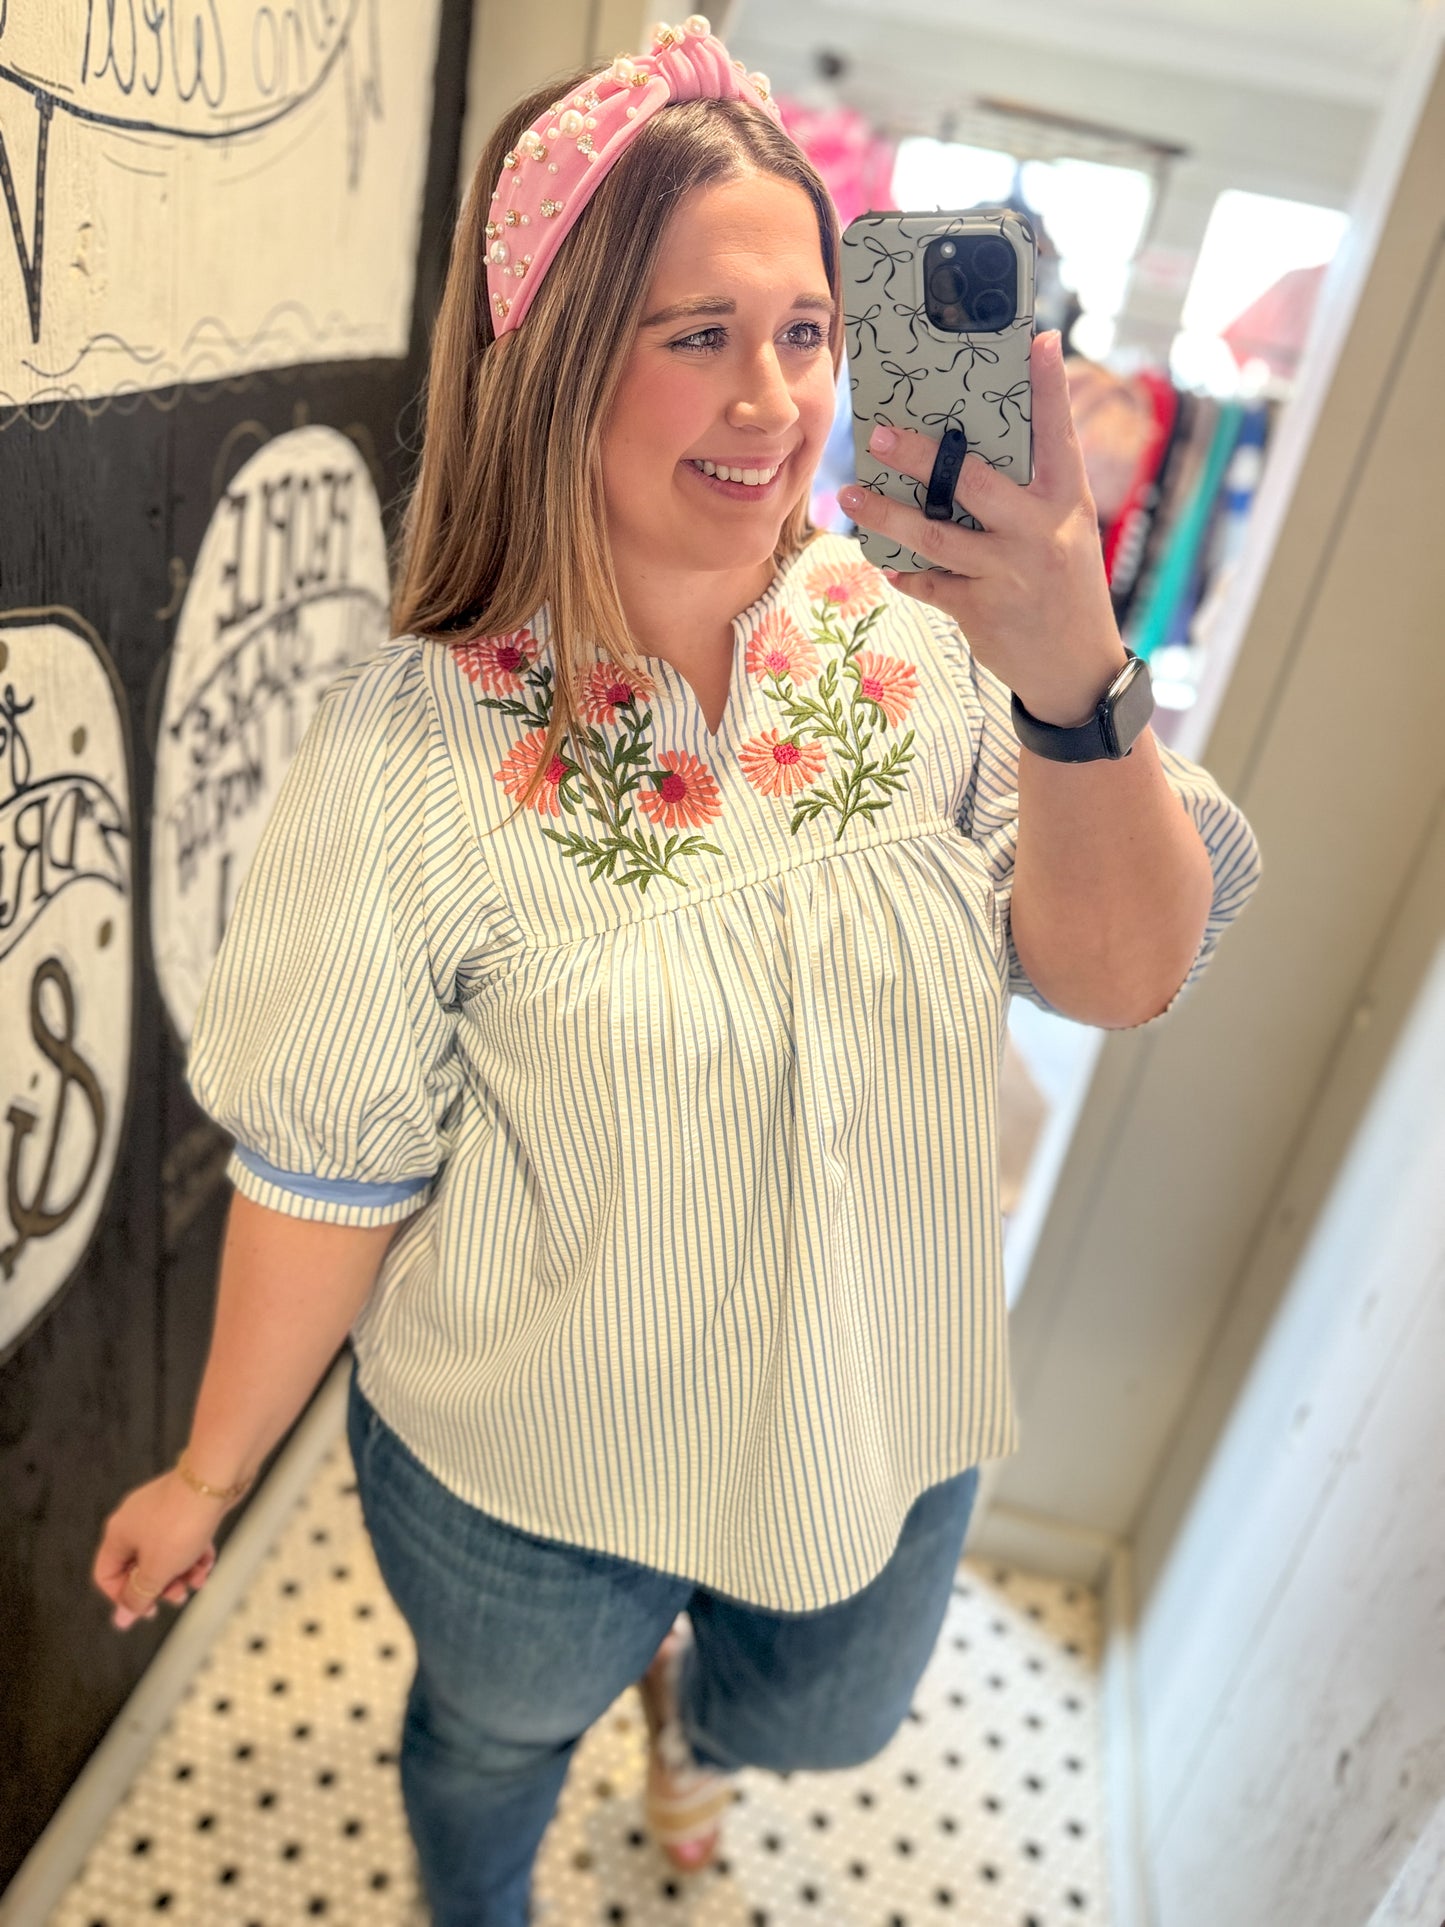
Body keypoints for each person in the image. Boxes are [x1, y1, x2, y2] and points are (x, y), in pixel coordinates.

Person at [92, 19, 1260, 1926]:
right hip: (529, 1469)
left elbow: (1121, 979)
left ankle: (692, 1725)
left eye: (803, 331)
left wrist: (1071, 673)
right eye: (696, 334)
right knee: (491, 1741)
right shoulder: (411, 747)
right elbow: (325, 1166)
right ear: (558, 357)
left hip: (872, 1411)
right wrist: (209, 1475)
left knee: (822, 1721)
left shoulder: (933, 643)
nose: (771, 400)